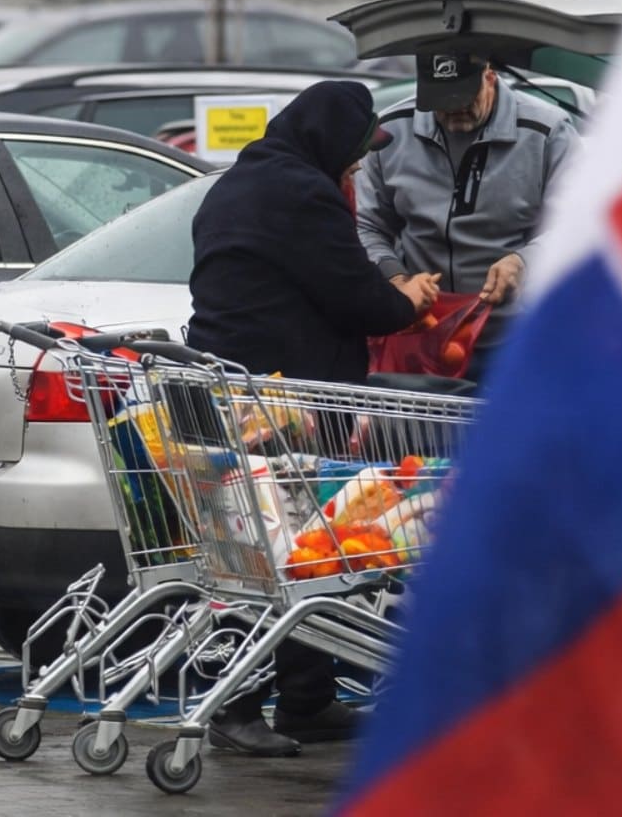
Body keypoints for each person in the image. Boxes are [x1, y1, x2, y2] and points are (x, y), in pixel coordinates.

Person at [186, 80, 439, 757]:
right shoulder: (302, 194)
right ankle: (236, 705)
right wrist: (407, 299)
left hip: (239, 395)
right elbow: (358, 300)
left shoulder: (237, 185)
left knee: (287, 553)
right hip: (281, 405)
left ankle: (308, 699)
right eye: (354, 158)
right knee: (271, 557)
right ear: (328, 143)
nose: (357, 170)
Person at [354, 50, 580, 376]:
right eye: (441, 100)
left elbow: (575, 228)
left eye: (463, 97)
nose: (454, 109)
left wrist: (522, 263)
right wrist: (396, 278)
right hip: (420, 338)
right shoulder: (390, 132)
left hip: (517, 340)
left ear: (490, 75)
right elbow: (367, 223)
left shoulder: (547, 132)